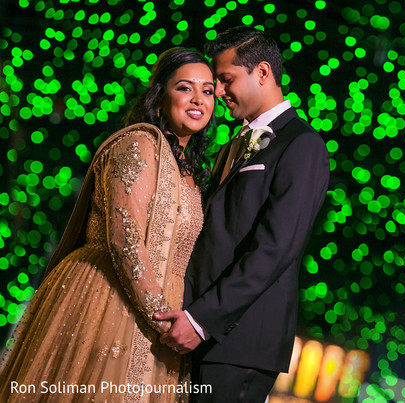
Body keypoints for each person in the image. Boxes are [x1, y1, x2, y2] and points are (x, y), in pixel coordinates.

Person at [0, 47, 215, 402]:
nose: (198, 99)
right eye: (185, 88)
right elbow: (125, 238)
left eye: (207, 91)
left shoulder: (190, 170)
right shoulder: (139, 144)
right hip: (109, 300)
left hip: (163, 311)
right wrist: (164, 321)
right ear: (159, 94)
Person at [155, 26, 330, 402]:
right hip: (201, 332)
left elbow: (275, 249)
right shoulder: (230, 146)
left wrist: (202, 320)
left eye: (225, 79)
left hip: (240, 343)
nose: (218, 91)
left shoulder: (302, 145)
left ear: (263, 73)